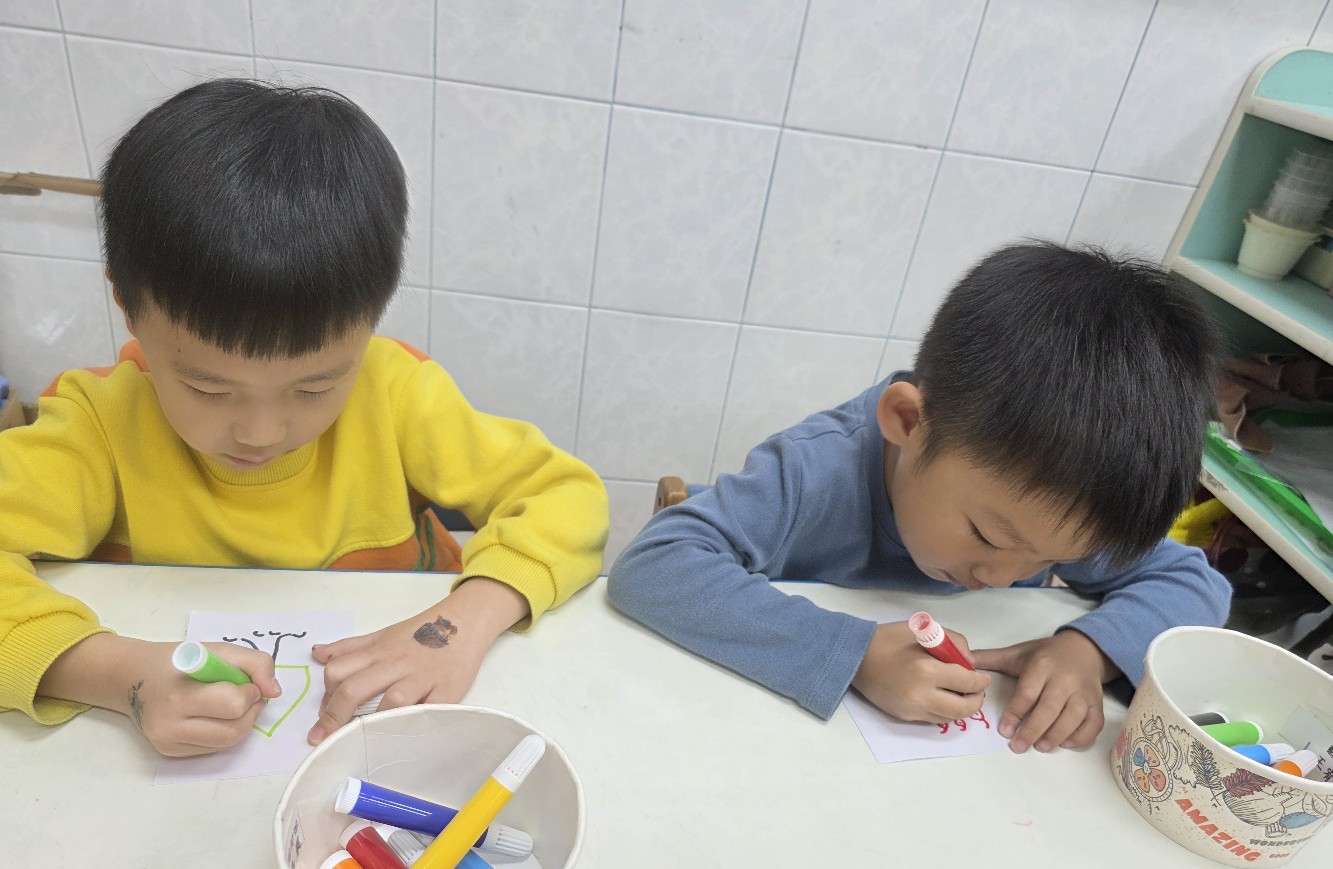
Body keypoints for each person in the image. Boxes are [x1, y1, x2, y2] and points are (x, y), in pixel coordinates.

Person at [0, 79, 608, 757]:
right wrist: (119, 677)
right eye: (207, 388)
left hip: (398, 732)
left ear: (370, 320)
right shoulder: (97, 424)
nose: (260, 433)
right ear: (126, 302)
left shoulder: (395, 390)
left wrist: (462, 621)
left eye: (316, 387)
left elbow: (566, 495)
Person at [608, 242, 1230, 754]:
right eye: (988, 537)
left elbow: (1195, 583)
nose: (1000, 577)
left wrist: (1088, 650)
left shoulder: (1055, 510)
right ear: (907, 421)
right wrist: (850, 653)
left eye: (1048, 562)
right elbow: (657, 563)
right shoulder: (816, 470)